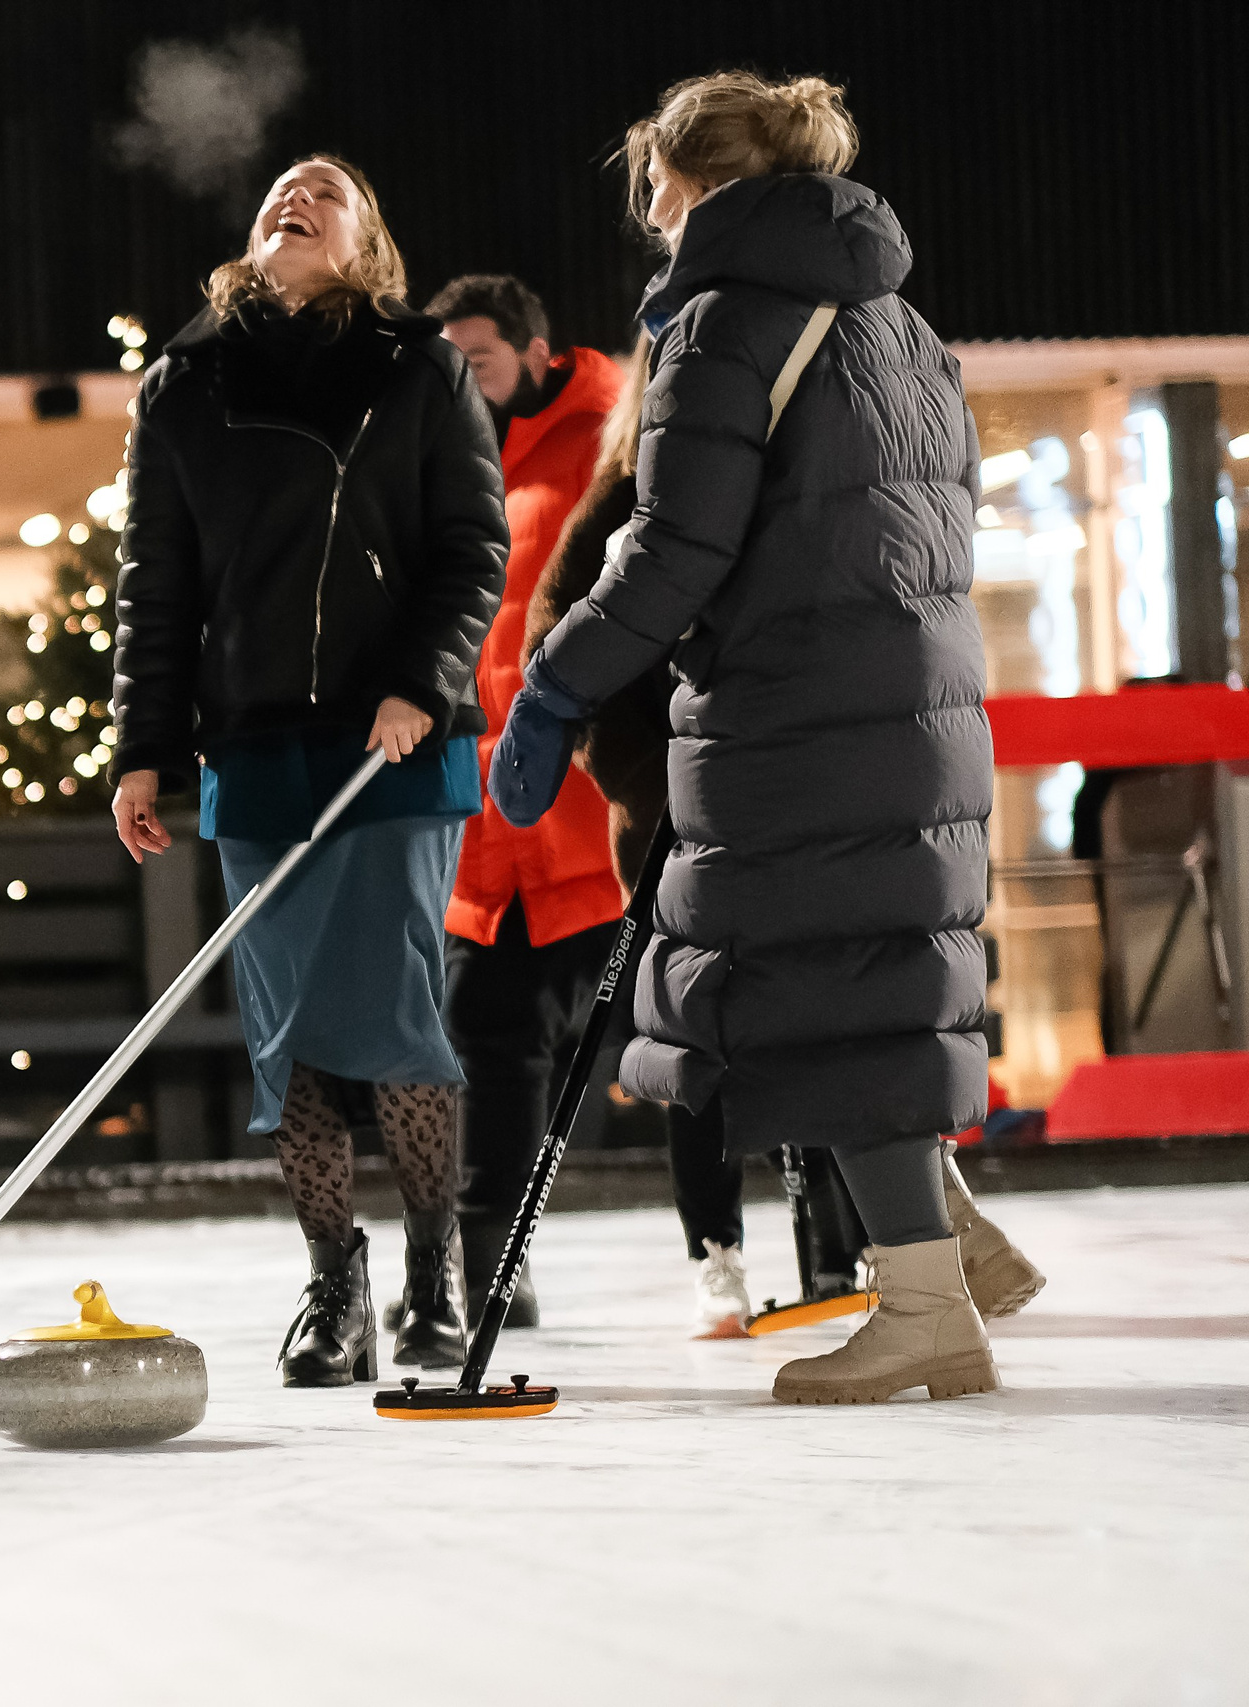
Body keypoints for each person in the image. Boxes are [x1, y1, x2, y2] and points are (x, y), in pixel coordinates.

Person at [492, 73, 1004, 1404]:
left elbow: (673, 551)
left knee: (811, 994)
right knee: (868, 977)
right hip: (912, 702)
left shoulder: (725, 319)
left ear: (693, 177)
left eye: (651, 182)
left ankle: (928, 1300)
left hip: (798, 711)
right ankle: (957, 1243)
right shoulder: (894, 314)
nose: (646, 211)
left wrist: (554, 684)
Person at [530, 339, 1045, 1339]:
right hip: (681, 825)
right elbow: (576, 640)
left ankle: (899, 1242)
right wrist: (655, 780)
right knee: (707, 1043)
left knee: (810, 1020)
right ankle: (730, 1252)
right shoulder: (627, 497)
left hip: (772, 800)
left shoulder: (774, 484)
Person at [111, 156, 509, 1383]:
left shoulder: (417, 366)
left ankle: (432, 1271)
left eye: (326, 194)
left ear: (365, 243)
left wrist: (424, 683)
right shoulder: (183, 384)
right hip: (256, 751)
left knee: (392, 1019)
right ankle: (333, 1283)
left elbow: (471, 546)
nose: (298, 198)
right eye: (283, 189)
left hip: (392, 747)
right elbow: (156, 585)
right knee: (287, 1045)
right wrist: (141, 745)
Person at [421, 274, 626, 1334]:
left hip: (588, 811)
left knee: (670, 1034)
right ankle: (489, 1264)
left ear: (537, 353)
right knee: (486, 1040)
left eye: (482, 360)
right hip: (485, 822)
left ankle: (826, 1236)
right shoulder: (441, 455)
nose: (463, 379)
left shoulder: (610, 440)